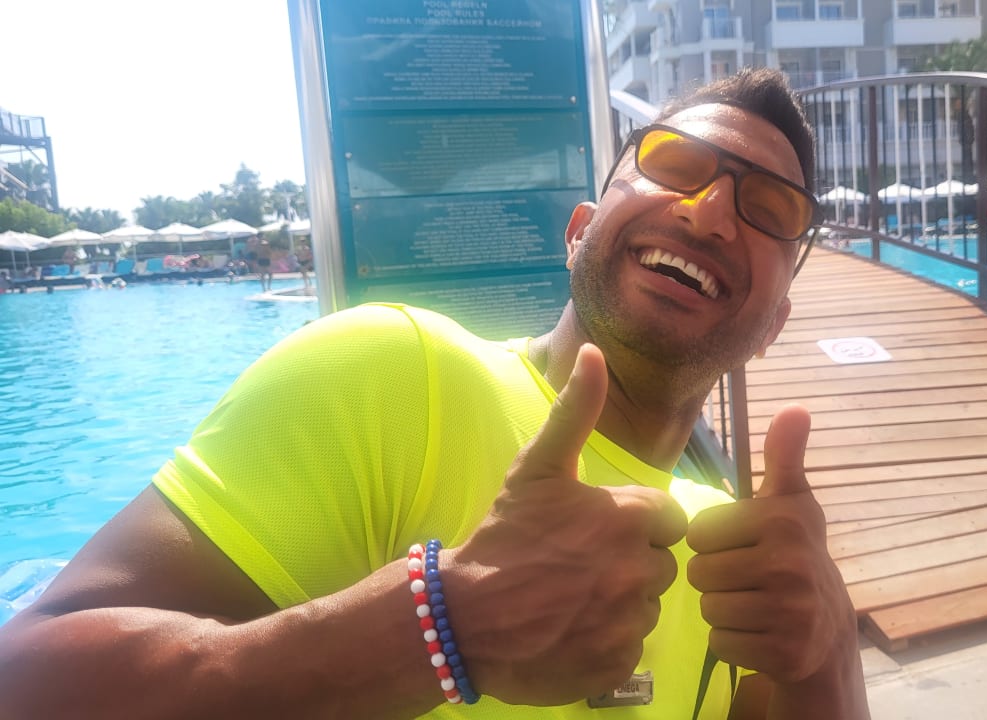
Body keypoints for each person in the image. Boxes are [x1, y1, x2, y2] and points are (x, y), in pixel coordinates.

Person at [0, 69, 871, 719]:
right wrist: (440, 628)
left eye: (770, 209)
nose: (709, 210)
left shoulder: (732, 556)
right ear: (577, 233)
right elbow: (26, 684)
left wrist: (828, 655)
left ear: (774, 323)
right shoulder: (391, 371)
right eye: (674, 163)